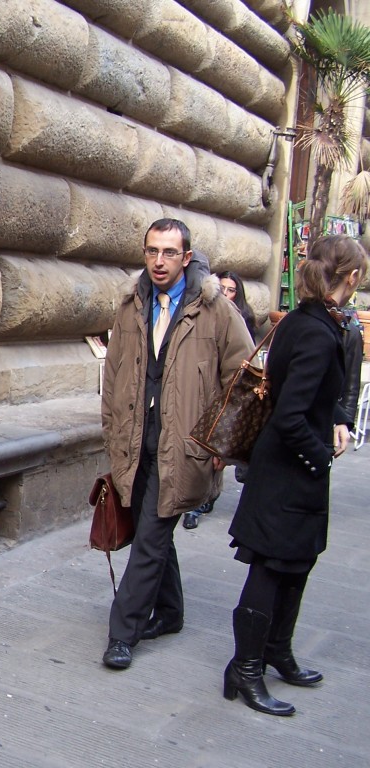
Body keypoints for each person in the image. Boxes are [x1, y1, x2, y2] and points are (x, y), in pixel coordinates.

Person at [223, 235, 369, 716]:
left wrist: (331, 425)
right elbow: (289, 415)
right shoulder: (312, 329)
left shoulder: (309, 321)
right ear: (352, 277)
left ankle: (275, 652)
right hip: (288, 471)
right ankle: (245, 668)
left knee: (297, 563)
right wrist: (320, 454)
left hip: (293, 472)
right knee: (269, 568)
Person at [100, 218, 253, 670]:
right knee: (153, 532)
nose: (159, 261)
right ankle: (170, 612)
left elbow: (242, 380)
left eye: (169, 252)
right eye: (152, 251)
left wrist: (221, 444)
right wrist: (111, 428)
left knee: (149, 539)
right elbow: (113, 372)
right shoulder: (131, 305)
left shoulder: (215, 310)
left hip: (183, 450)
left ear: (187, 257)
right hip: (135, 444)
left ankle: (122, 632)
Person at [183, 271, 258, 530]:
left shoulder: (238, 318)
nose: (225, 293)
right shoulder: (200, 313)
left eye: (231, 289)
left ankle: (201, 501)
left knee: (209, 457)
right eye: (222, 288)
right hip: (193, 402)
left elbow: (242, 376)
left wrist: (230, 440)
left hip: (218, 402)